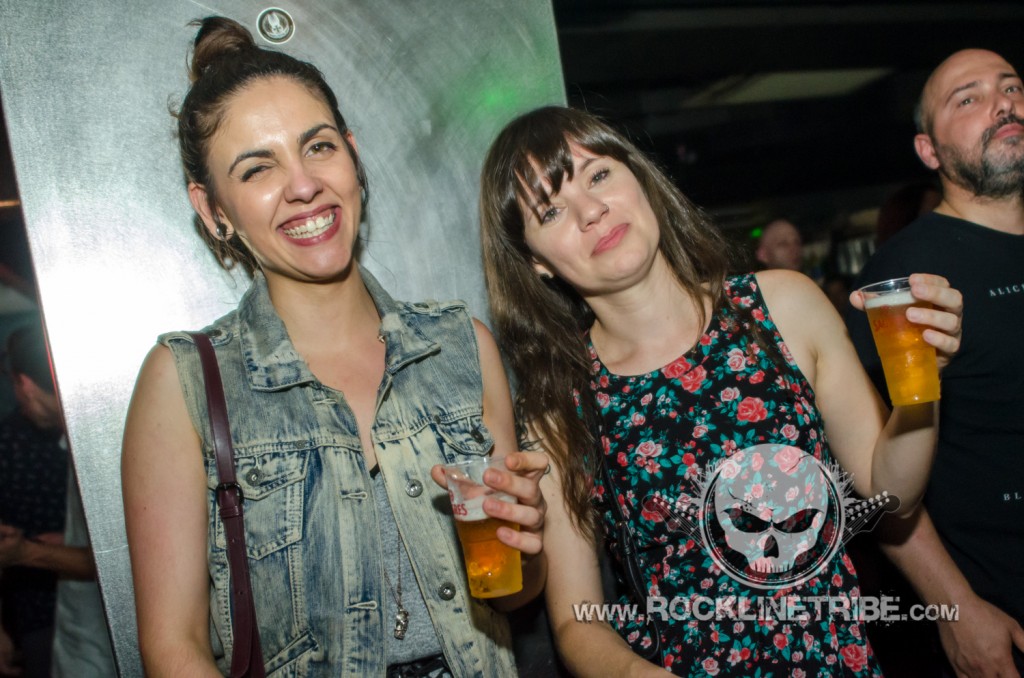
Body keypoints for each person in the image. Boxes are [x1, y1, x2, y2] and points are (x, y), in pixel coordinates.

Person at [121, 16, 548, 677]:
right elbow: (173, 649)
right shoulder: (185, 382)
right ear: (213, 211)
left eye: (317, 147)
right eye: (258, 168)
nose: (302, 185)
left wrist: (526, 542)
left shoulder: (461, 345)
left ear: (352, 156)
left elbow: (511, 595)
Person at [478, 105, 963, 676]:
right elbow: (576, 624)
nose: (591, 210)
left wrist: (921, 384)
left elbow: (892, 492)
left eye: (599, 174)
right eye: (552, 210)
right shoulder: (562, 404)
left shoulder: (783, 306)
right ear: (536, 261)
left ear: (640, 179)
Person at [847, 48, 1024, 676]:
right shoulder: (905, 277)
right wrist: (956, 609)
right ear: (929, 151)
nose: (1003, 104)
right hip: (1003, 605)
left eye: (1012, 88)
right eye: (968, 98)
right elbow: (873, 475)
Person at [0, 324, 114, 678]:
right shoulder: (93, 435)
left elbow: (118, 560)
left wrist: (25, 553)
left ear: (25, 384)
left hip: (101, 647)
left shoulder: (97, 450)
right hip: (76, 634)